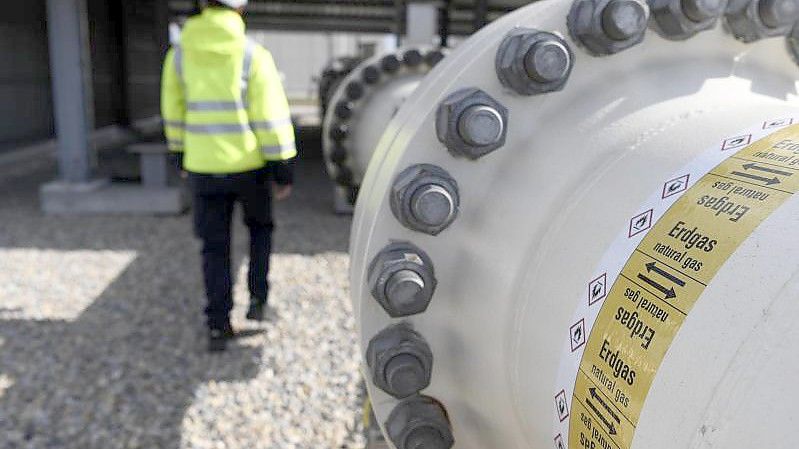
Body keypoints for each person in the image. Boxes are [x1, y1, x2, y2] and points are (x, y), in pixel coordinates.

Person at [161, 0, 296, 352]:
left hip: (204, 168)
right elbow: (270, 115)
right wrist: (282, 165)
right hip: (249, 168)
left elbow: (173, 111)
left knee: (214, 247)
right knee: (260, 231)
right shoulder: (254, 55)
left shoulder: (177, 56)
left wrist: (180, 153)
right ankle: (258, 302)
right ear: (241, 7)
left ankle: (218, 325)